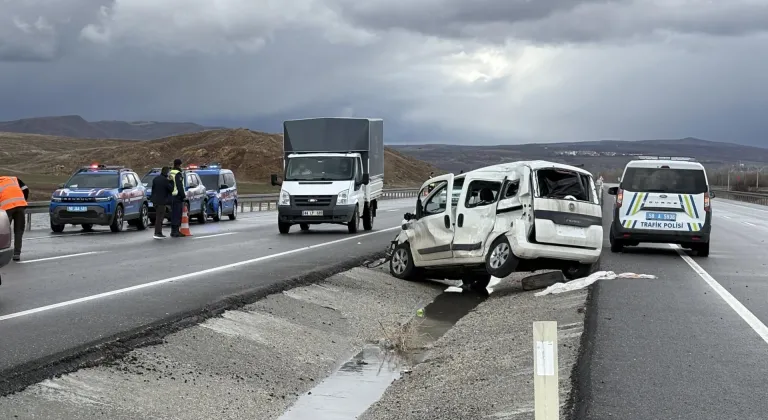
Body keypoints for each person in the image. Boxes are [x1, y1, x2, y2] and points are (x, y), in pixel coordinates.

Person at [0, 176, 29, 261]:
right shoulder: (14, 179)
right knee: (19, 231)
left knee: (3, 231)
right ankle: (17, 254)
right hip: (20, 205)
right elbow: (26, 189)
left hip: (7, 208)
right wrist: (23, 200)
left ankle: (2, 253)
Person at [150, 166, 174, 239]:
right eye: (168, 172)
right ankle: (157, 233)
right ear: (166, 172)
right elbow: (171, 189)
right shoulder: (165, 180)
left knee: (158, 216)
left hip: (155, 201)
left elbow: (153, 189)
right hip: (161, 201)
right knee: (160, 218)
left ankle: (158, 232)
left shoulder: (156, 179)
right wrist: (171, 181)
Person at [168, 159, 187, 237]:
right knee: (177, 214)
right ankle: (175, 231)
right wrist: (183, 196)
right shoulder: (178, 174)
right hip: (177, 196)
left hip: (170, 196)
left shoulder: (170, 173)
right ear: (179, 165)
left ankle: (173, 231)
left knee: (173, 214)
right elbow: (180, 186)